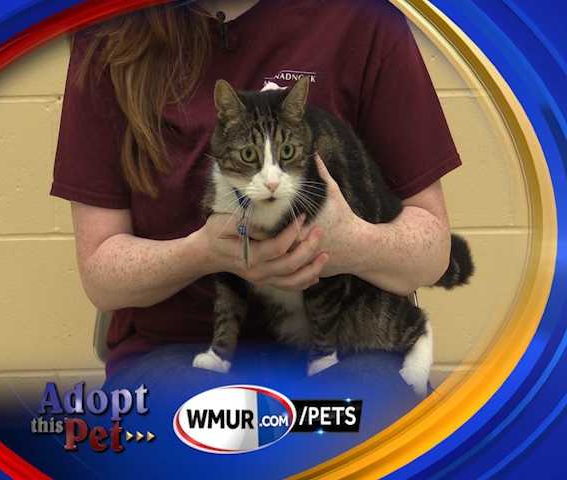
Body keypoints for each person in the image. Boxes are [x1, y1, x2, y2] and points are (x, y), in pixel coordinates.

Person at [50, 0, 461, 401]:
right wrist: (205, 253)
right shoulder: (108, 32)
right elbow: (101, 273)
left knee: (343, 449)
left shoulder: (363, 19)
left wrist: (349, 243)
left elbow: (431, 251)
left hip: (346, 347)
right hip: (177, 353)